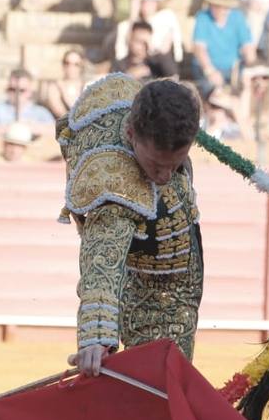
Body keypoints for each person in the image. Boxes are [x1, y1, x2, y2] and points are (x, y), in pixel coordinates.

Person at [56, 76, 204, 375]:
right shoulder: (114, 182)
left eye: (174, 164)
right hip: (149, 289)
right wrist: (96, 337)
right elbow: (102, 259)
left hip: (162, 266)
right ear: (130, 132)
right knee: (156, 389)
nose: (163, 176)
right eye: (155, 165)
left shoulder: (139, 103)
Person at [191, 0, 256, 96]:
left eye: (226, 7)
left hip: (234, 69)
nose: (224, 10)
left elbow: (247, 46)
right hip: (207, 69)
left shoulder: (238, 17)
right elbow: (199, 49)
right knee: (212, 91)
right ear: (212, 6)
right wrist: (210, 71)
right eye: (219, 6)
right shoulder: (203, 17)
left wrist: (252, 68)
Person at [113, 0, 184, 64]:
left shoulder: (167, 17)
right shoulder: (124, 26)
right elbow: (122, 53)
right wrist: (133, 14)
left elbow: (174, 50)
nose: (148, 4)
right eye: (144, 1)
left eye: (152, 1)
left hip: (159, 66)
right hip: (133, 65)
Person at [0, 68, 57, 138]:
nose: (16, 94)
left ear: (30, 92)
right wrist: (15, 127)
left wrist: (29, 127)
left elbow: (55, 131)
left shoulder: (40, 112)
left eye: (21, 90)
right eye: (12, 89)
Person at [114, 20, 179, 80]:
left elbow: (174, 79)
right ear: (130, 40)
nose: (143, 46)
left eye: (146, 42)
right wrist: (130, 75)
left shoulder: (156, 64)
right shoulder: (120, 64)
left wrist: (162, 53)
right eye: (139, 41)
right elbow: (112, 88)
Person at [42, 48, 90, 117]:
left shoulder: (87, 86)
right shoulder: (54, 87)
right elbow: (61, 114)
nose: (71, 67)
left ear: (82, 66)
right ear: (63, 64)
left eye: (76, 64)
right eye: (67, 63)